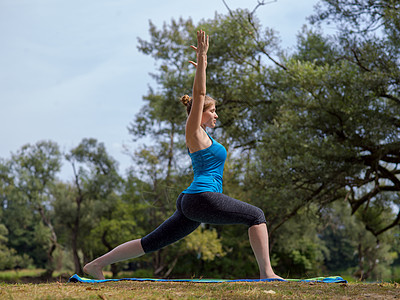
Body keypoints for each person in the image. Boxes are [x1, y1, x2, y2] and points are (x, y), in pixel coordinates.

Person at [83, 30, 282, 280]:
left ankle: (96, 265)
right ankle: (267, 273)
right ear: (199, 113)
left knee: (152, 242)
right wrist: (202, 61)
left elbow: (201, 99)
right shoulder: (194, 131)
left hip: (193, 200)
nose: (216, 115)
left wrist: (204, 65)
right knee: (256, 216)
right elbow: (199, 95)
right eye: (212, 111)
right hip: (201, 197)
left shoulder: (207, 138)